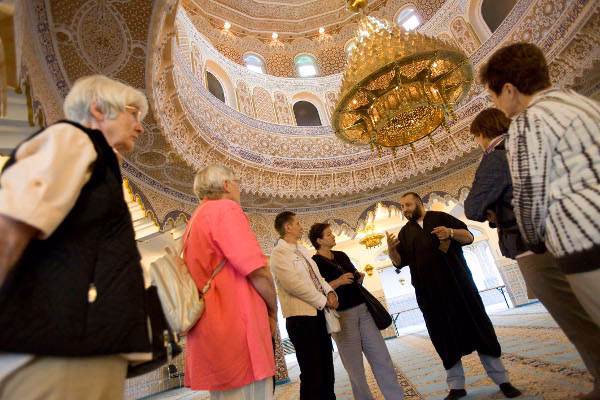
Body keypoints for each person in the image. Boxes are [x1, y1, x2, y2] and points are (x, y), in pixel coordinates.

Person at [0, 75, 151, 399]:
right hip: (56, 350)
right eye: (133, 113)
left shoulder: (97, 158)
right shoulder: (73, 139)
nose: (139, 127)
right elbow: (9, 230)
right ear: (98, 109)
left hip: (82, 346)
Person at [480, 42, 600, 398]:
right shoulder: (580, 103)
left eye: (495, 96)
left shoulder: (526, 123)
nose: (497, 105)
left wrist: (533, 240)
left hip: (585, 242)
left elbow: (529, 198)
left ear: (509, 90)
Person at [387, 192, 521, 400]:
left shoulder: (441, 217)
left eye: (408, 204)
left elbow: (469, 237)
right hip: (430, 296)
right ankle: (456, 386)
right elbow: (398, 262)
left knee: (480, 329)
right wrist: (391, 250)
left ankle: (503, 380)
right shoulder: (405, 233)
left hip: (460, 288)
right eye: (402, 206)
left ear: (419, 203)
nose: (405, 209)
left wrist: (450, 232)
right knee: (443, 337)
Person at [183, 164, 278, 399]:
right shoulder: (225, 209)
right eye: (237, 182)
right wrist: (273, 310)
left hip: (213, 326)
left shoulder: (195, 219)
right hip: (238, 323)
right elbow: (257, 271)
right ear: (226, 185)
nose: (239, 188)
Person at [309, 223, 404, 400]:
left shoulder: (341, 255)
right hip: (342, 317)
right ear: (319, 240)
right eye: (328, 234)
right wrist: (338, 281)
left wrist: (359, 276)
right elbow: (315, 291)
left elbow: (354, 276)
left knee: (382, 358)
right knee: (355, 369)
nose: (333, 236)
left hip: (363, 310)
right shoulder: (314, 263)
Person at [269, 211, 339, 400]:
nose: (301, 227)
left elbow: (318, 278)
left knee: (327, 370)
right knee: (312, 374)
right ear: (287, 227)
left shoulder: (302, 250)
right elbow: (294, 285)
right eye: (298, 223)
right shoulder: (278, 253)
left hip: (318, 315)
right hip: (301, 320)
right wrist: (324, 301)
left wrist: (330, 292)